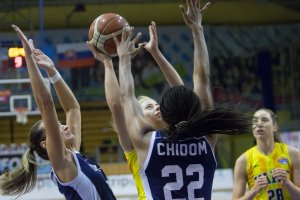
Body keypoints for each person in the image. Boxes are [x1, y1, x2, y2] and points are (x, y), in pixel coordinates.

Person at [113, 4, 252, 200]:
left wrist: (124, 58)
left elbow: (125, 95)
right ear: (192, 110)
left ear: (165, 115)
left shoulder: (146, 141)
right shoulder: (207, 137)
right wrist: (198, 29)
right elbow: (201, 78)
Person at [0, 25, 116, 200]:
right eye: (56, 127)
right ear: (46, 144)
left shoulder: (73, 154)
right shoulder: (62, 163)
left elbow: (73, 108)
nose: (64, 126)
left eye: (60, 124)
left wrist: (53, 72)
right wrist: (30, 59)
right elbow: (46, 104)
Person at [87, 21, 183, 200]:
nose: (156, 107)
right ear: (137, 116)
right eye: (148, 107)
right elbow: (117, 105)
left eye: (156, 104)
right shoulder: (133, 145)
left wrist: (155, 53)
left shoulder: (177, 132)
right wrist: (108, 63)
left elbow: (182, 93)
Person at [232, 108, 300, 200]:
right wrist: (254, 190)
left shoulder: (293, 154)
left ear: (274, 126)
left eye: (264, 120)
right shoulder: (243, 160)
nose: (259, 124)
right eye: (255, 121)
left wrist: (287, 183)